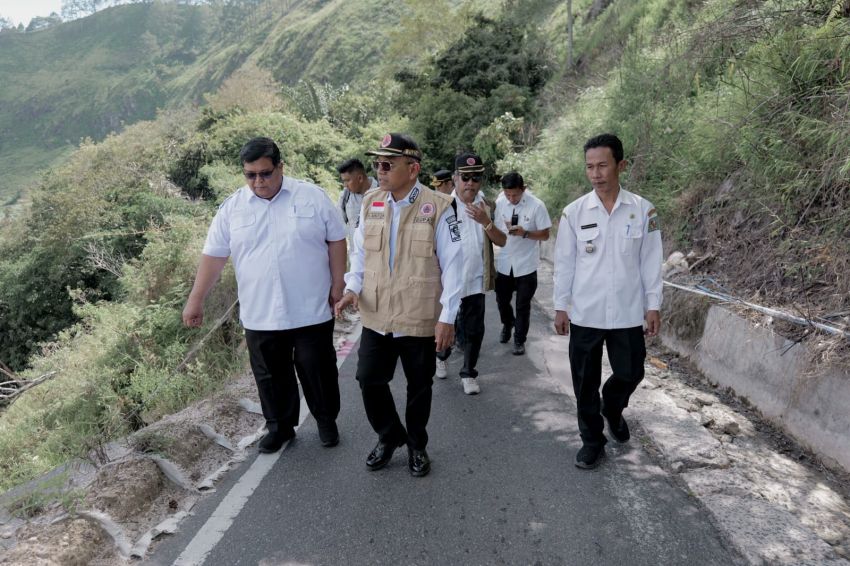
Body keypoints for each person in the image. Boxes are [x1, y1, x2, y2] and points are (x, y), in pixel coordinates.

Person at [183, 137, 346, 453]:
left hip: (310, 305)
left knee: (317, 367)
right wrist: (196, 299)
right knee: (271, 375)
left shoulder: (311, 197)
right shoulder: (232, 209)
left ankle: (326, 421)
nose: (258, 181)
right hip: (261, 311)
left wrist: (338, 282)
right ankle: (280, 427)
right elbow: (214, 257)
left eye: (265, 173)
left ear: (280, 167)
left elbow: (336, 239)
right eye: (250, 175)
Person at [334, 133, 463, 477]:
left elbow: (455, 265)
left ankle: (417, 445)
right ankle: (390, 435)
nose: (380, 170)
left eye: (388, 164)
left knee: (419, 386)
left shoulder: (438, 206)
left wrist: (447, 317)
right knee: (368, 379)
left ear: (413, 168)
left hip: (419, 314)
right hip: (376, 314)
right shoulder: (371, 202)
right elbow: (360, 254)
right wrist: (351, 288)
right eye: (377, 164)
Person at [553, 133, 663, 470]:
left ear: (620, 165)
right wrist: (561, 305)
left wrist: (653, 303)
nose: (596, 173)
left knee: (630, 373)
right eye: (590, 167)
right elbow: (565, 262)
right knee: (584, 382)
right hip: (586, 312)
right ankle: (592, 441)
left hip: (628, 313)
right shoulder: (574, 213)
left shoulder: (643, 210)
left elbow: (651, 260)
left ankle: (612, 407)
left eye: (602, 165)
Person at [445, 153, 506, 394]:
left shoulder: (488, 205)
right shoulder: (442, 205)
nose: (470, 183)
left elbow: (502, 240)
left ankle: (468, 372)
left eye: (476, 178)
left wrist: (486, 222)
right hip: (447, 281)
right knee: (445, 325)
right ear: (455, 178)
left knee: (474, 329)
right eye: (465, 177)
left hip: (476, 280)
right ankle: (441, 355)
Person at [493, 171, 551, 355]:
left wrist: (525, 233)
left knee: (522, 305)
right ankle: (507, 323)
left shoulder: (537, 205)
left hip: (526, 264)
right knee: (502, 301)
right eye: (508, 194)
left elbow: (545, 234)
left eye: (515, 195)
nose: (511, 198)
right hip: (504, 262)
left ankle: (519, 340)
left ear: (523, 189)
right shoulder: (500, 203)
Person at [337, 158, 379, 244]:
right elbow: (338, 226)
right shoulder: (345, 196)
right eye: (343, 181)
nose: (345, 185)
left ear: (360, 178)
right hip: (355, 254)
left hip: (379, 254)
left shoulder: (382, 193)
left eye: (347, 180)